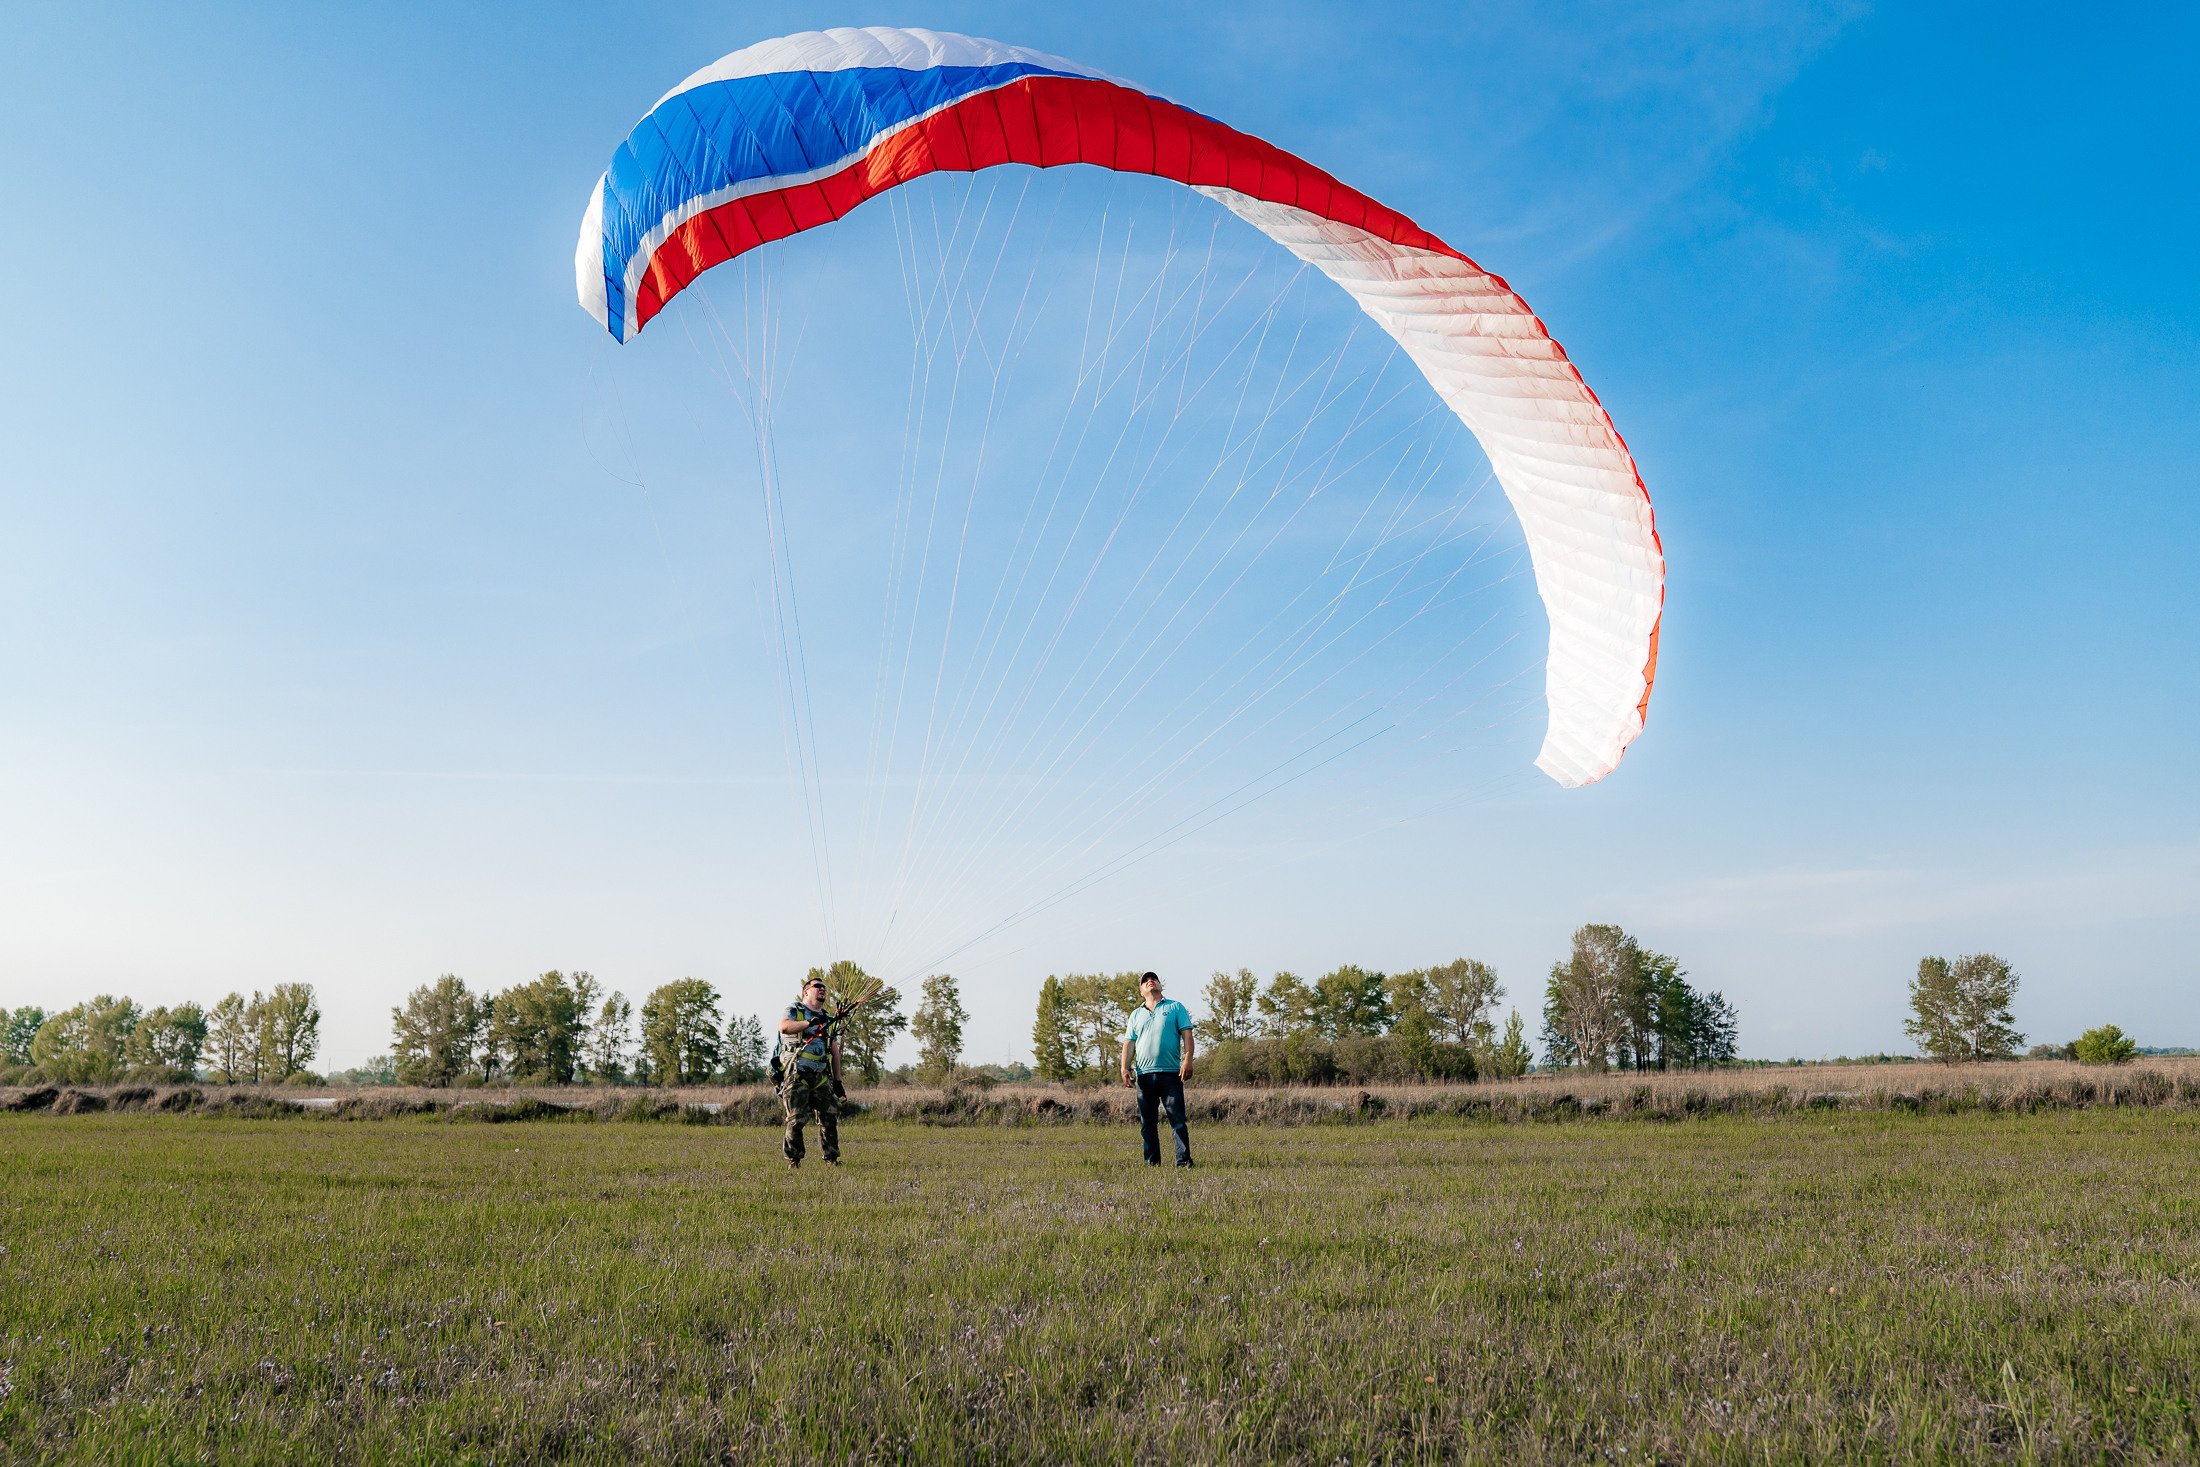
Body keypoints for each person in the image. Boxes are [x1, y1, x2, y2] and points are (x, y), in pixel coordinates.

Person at [1119, 971, 1196, 1168]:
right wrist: (1124, 1068)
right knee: (1148, 1123)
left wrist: (1187, 1061)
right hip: (1144, 1075)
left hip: (1171, 1073)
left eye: (1153, 979)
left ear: (1160, 986)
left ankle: (1184, 1162)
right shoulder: (1136, 1015)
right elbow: (1129, 1043)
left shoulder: (1175, 1007)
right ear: (1141, 990)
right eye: (1145, 981)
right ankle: (1152, 1163)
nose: (1149, 981)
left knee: (1177, 1120)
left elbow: (1187, 1035)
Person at [776, 976, 843, 1168]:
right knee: (796, 1118)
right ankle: (793, 1160)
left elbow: (834, 1051)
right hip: (797, 1073)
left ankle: (831, 1159)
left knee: (829, 1116)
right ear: (806, 992)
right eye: (817, 986)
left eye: (824, 987)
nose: (822, 989)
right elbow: (784, 1027)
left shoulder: (828, 1019)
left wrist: (837, 1082)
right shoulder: (795, 1010)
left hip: (821, 1076)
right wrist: (809, 1024)